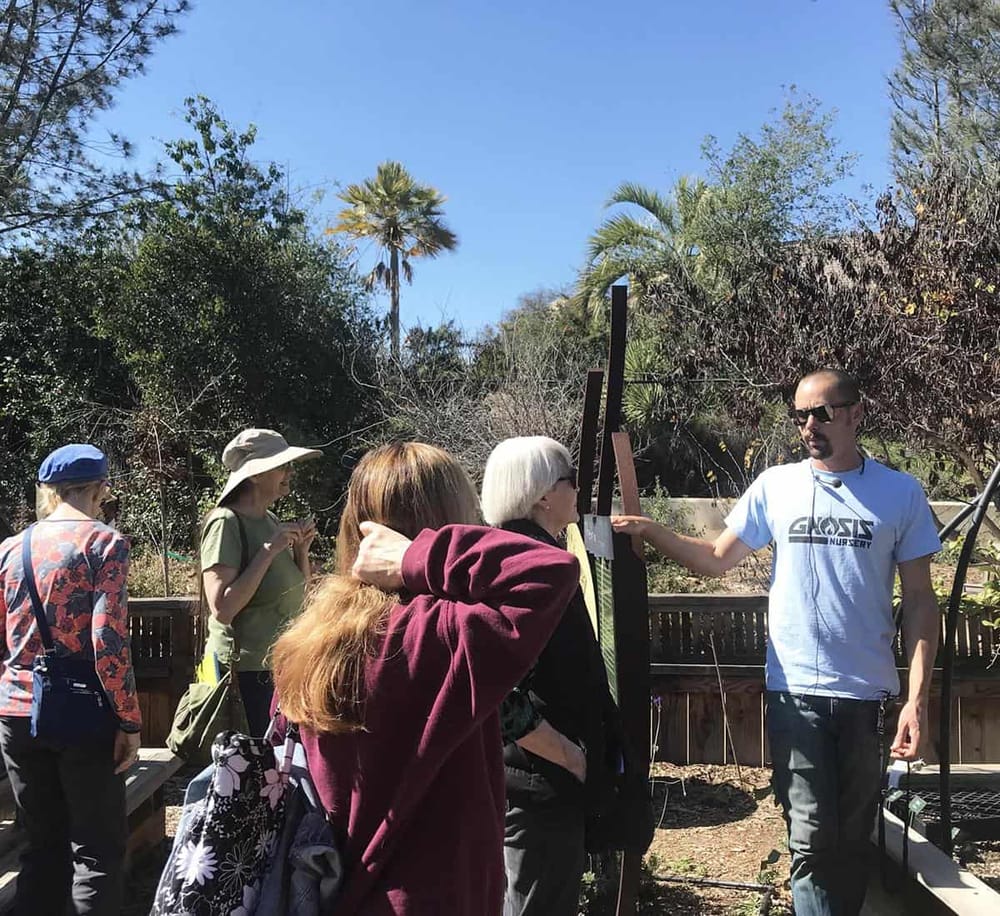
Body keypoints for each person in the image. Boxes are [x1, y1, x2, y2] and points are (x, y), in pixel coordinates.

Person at [612, 369, 941, 916]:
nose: (808, 425)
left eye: (822, 413)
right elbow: (717, 559)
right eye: (799, 415)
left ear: (856, 414)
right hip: (796, 695)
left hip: (870, 698)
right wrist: (651, 530)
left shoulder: (900, 493)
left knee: (853, 839)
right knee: (811, 841)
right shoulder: (776, 487)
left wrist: (917, 697)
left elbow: (922, 602)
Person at [270, 441, 580, 915]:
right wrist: (418, 556)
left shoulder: (306, 642)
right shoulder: (439, 635)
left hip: (329, 896)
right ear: (447, 523)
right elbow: (548, 570)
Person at [481, 436, 623, 916]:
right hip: (538, 784)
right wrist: (571, 758)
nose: (577, 489)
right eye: (569, 479)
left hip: (535, 779)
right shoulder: (533, 565)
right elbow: (499, 689)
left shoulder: (513, 554)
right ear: (542, 494)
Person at [0, 444, 142, 916]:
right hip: (84, 713)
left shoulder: (10, 549)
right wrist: (129, 722)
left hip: (16, 713)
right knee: (96, 851)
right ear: (99, 489)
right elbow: (108, 644)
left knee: (40, 848)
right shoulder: (105, 543)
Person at [200, 428, 320, 736]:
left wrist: (300, 553)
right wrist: (269, 550)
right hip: (246, 674)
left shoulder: (270, 521)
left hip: (278, 664)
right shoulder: (225, 522)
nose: (289, 472)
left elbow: (301, 597)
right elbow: (222, 608)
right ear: (255, 475)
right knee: (250, 769)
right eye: (282, 465)